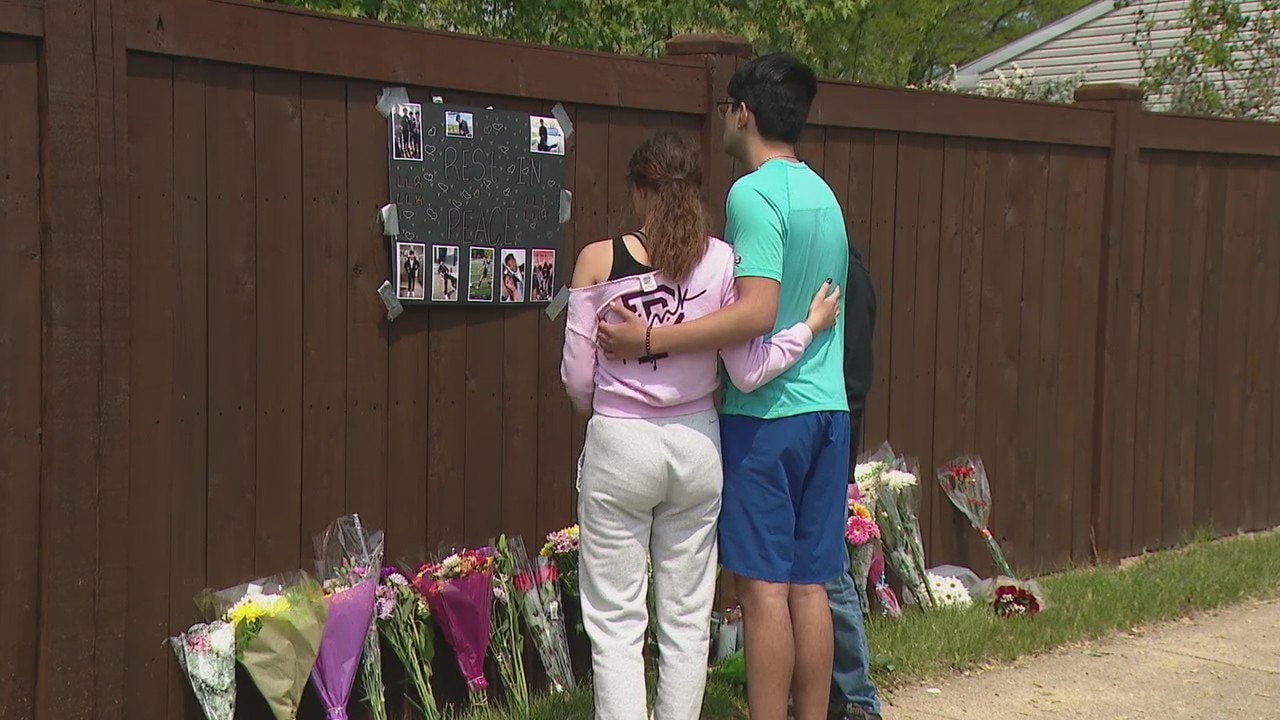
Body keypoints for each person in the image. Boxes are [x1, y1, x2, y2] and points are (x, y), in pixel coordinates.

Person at [596, 53, 850, 720]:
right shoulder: (825, 195)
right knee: (811, 586)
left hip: (768, 415)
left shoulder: (752, 194)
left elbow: (756, 312)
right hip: (828, 408)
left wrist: (651, 339)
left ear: (743, 113)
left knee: (763, 589)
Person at [825, 243, 882, 720]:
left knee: (830, 573)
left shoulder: (851, 277)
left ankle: (857, 696)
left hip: (832, 440)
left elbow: (854, 380)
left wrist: (840, 461)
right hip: (817, 436)